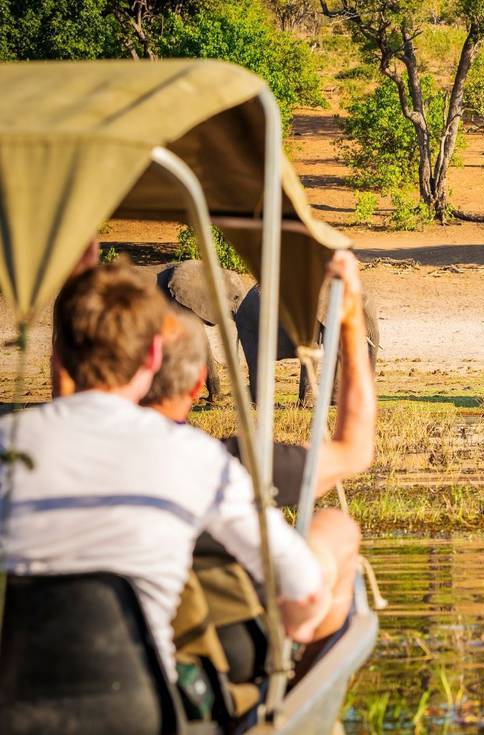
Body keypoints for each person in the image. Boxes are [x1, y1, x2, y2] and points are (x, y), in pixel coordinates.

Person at [0, 258, 357, 682]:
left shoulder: (9, 443)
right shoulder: (195, 456)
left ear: (57, 353)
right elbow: (305, 588)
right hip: (144, 705)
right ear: (153, 354)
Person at [141, 253, 375, 684]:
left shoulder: (20, 452)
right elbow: (355, 451)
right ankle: (295, 690)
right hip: (194, 673)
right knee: (335, 527)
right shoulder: (217, 465)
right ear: (198, 384)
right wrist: (352, 323)